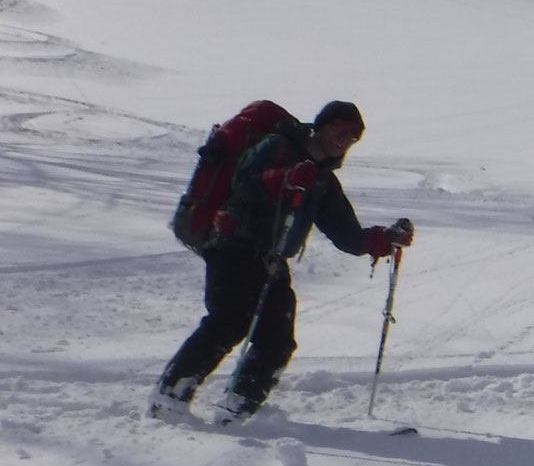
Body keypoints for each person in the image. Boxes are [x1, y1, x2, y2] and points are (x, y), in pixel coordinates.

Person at [149, 100, 415, 426]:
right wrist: (283, 178)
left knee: (277, 340)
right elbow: (244, 180)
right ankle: (168, 398)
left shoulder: (322, 181)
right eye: (339, 129)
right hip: (233, 246)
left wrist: (383, 239)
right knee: (228, 322)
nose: (344, 139)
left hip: (271, 260)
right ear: (321, 125)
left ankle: (238, 410)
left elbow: (346, 235)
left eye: (353, 135)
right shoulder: (276, 146)